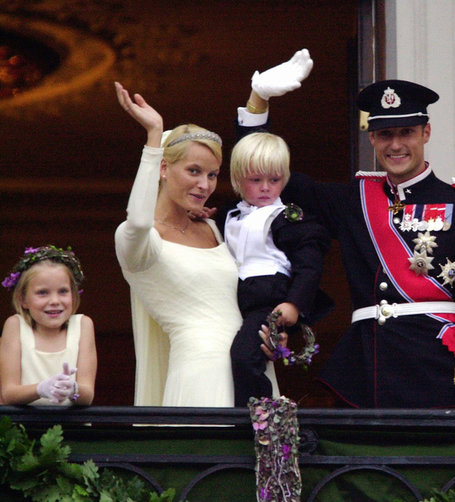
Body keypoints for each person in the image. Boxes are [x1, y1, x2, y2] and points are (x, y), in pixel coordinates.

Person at [239, 77, 455, 409]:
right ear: (371, 137)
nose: (395, 145)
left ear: (426, 133)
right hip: (364, 378)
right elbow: (265, 175)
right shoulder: (353, 201)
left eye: (406, 133)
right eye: (385, 134)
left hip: (436, 374)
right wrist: (258, 106)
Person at [113, 51, 311, 407]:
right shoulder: (139, 242)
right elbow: (139, 220)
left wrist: (273, 328)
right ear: (163, 169)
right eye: (193, 171)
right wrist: (154, 138)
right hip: (200, 374)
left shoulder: (215, 228)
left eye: (212, 174)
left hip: (252, 364)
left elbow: (266, 181)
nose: (204, 184)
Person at [225, 131, 331, 407]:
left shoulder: (286, 217)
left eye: (274, 180)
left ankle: (260, 416)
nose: (265, 188)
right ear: (238, 179)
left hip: (267, 302)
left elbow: (309, 265)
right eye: (256, 180)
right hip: (233, 303)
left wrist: (294, 304)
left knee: (245, 356)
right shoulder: (231, 215)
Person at [0, 245, 96, 406]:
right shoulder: (15, 325)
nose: (54, 301)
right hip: (25, 428)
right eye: (43, 293)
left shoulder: (82, 325)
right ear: (23, 299)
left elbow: (87, 395)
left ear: (73, 295)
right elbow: (9, 393)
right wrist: (41, 388)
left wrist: (72, 389)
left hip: (73, 429)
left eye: (63, 291)